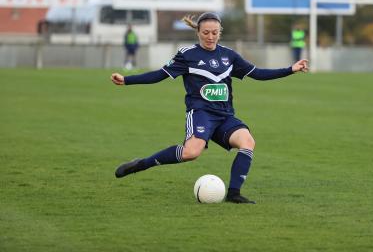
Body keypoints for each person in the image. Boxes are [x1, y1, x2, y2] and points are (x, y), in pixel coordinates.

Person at [111, 12, 308, 204]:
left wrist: (291, 69)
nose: (210, 37)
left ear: (220, 32)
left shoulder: (229, 55)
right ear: (198, 32)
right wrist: (127, 80)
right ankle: (141, 164)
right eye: (206, 32)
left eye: (214, 32)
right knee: (191, 153)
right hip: (201, 114)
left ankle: (234, 193)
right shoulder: (187, 55)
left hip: (224, 116)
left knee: (247, 141)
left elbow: (258, 74)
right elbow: (159, 75)